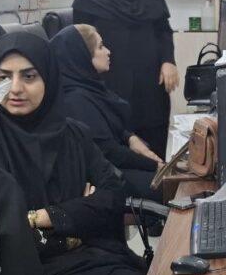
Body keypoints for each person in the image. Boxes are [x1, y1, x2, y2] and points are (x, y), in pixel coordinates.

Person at [0, 32, 145, 275]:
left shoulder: (72, 133)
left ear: (49, 77)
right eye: (4, 77)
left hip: (91, 256)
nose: (15, 89)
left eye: (29, 76)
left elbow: (113, 194)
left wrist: (40, 217)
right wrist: (79, 216)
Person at [72, 0, 177, 159]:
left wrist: (168, 61)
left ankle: (157, 178)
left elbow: (163, 30)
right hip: (111, 80)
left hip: (149, 81)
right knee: (119, 139)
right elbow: (79, 42)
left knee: (154, 144)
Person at [51, 24, 165, 202]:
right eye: (100, 47)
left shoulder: (89, 87)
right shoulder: (75, 99)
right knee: (171, 185)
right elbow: (109, 151)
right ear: (82, 56)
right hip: (105, 178)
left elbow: (112, 125)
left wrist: (130, 138)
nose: (108, 51)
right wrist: (154, 165)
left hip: (115, 167)